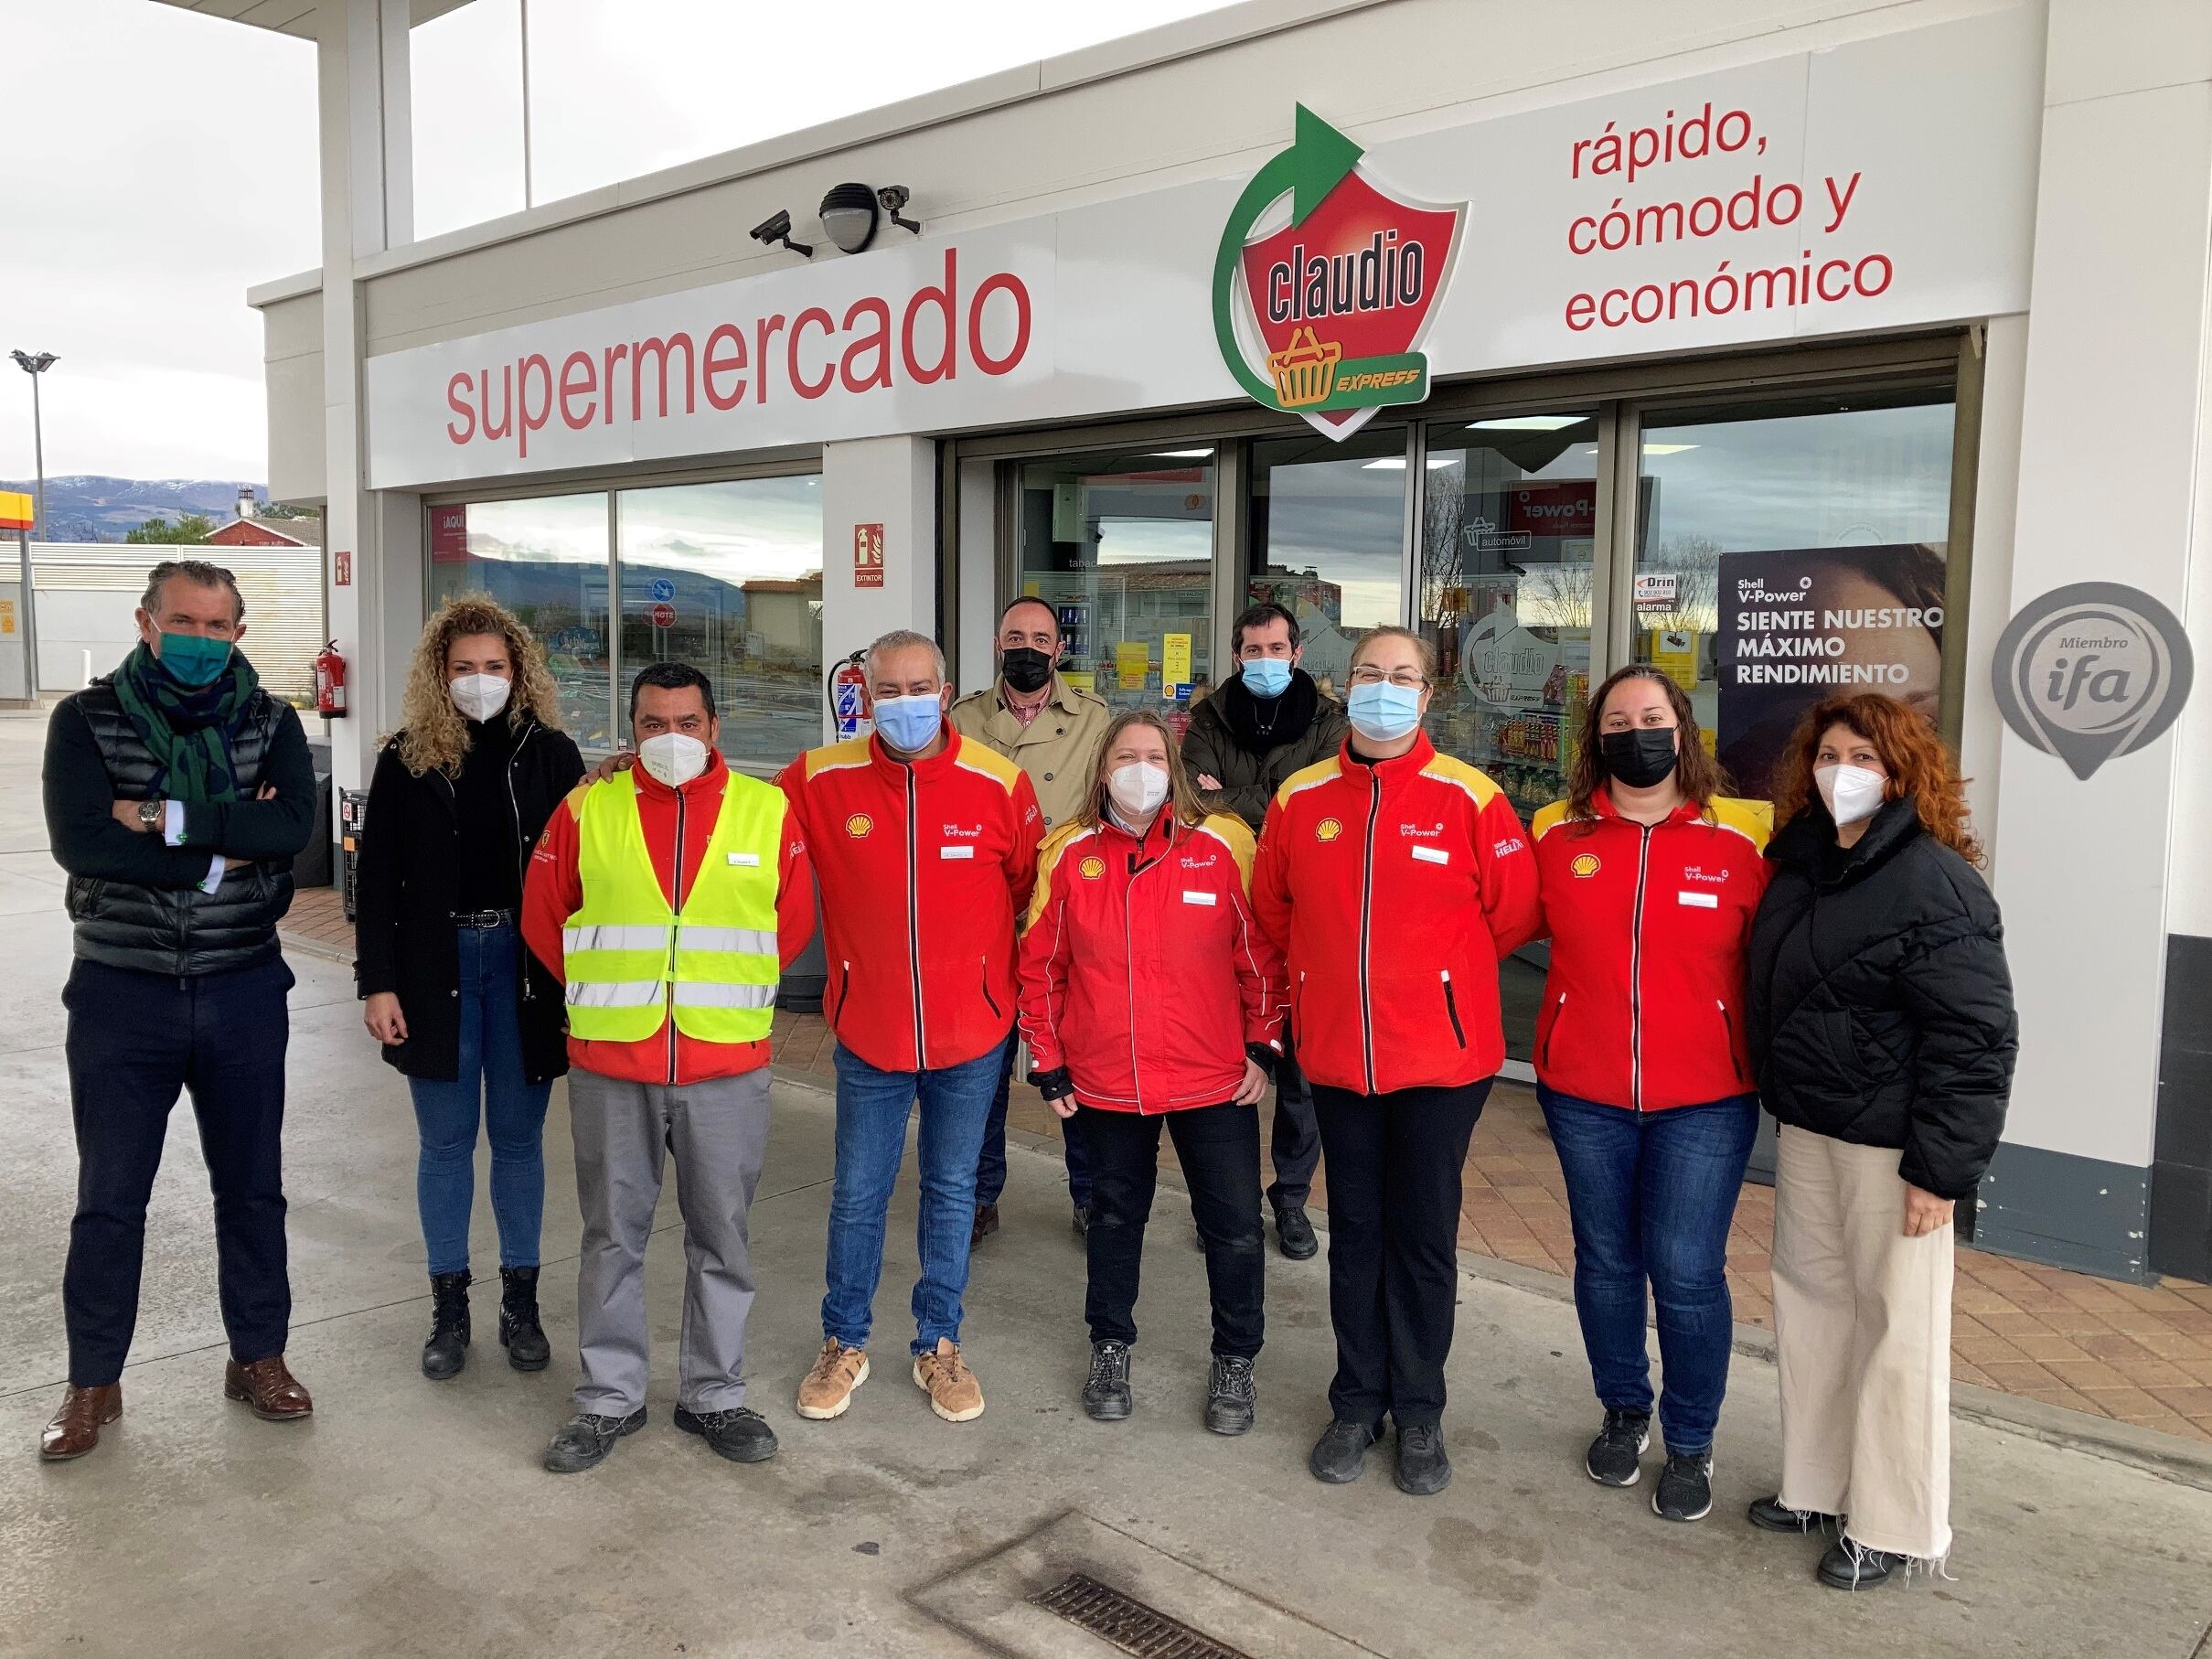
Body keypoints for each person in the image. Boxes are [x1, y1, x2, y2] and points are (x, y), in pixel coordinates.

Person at [1252, 626, 1541, 1496]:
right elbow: (1271, 914)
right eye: (1371, 672)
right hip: (1338, 1057)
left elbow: (1514, 912)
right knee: (1357, 1237)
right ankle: (1355, 1403)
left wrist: (1429, 981)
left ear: (1427, 696)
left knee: (1421, 1239)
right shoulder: (1301, 798)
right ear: (1346, 687)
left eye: (1402, 676)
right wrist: (1319, 990)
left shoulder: (1470, 796)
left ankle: (1418, 1413)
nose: (1385, 686)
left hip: (1443, 1065)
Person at [39, 560, 318, 1460]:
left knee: (252, 1188)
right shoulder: (84, 721)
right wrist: (214, 843)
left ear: (239, 633)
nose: (200, 637)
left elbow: (288, 833)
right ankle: (93, 1381)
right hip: (123, 992)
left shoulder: (273, 720)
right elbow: (80, 841)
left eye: (217, 624)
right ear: (147, 620)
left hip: (242, 986)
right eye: (183, 620)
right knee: (110, 1198)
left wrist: (153, 816)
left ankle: (259, 1355)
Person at [1744, 691, 2016, 1590]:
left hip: (1892, 1148)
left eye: (1861, 755)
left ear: (1901, 772)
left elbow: (1974, 1037)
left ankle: (1896, 1525)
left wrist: (1942, 1169)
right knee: (1812, 1307)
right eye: (1826, 754)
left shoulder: (1935, 881)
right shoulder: (1802, 862)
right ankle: (1818, 1485)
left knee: (1897, 1328)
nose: (1840, 772)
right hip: (1813, 1130)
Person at [520, 663, 814, 1473]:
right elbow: (546, 921)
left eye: (687, 723)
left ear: (714, 729)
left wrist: (713, 1001)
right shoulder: (589, 806)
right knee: (612, 1235)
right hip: (614, 1061)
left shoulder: (766, 810)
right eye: (654, 724)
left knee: (723, 1238)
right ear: (632, 731)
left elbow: (790, 925)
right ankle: (607, 1399)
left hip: (725, 1063)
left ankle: (713, 1394)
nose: (672, 739)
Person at [780, 630, 1042, 1425]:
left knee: (951, 1189)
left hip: (972, 1033)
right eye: (887, 691)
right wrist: (628, 769)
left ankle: (938, 1343)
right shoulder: (817, 781)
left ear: (945, 686)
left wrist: (1006, 999)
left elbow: (1027, 888)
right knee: (859, 1194)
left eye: (918, 686)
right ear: (862, 695)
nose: (905, 703)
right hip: (871, 1031)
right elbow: (737, 822)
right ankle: (843, 1340)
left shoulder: (998, 782)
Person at [1529, 665, 1771, 1524]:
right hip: (1583, 1092)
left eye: (1654, 716)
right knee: (1604, 1260)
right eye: (1619, 720)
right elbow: (1479, 920)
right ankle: (1623, 1409)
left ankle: (1693, 1439)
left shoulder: (1738, 846)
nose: (1638, 732)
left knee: (1686, 1271)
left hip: (1704, 1098)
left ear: (1683, 731)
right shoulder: (1556, 838)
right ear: (1596, 739)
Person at [1017, 710, 1285, 1433]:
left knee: (1232, 1228)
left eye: (1154, 757)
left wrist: (1263, 1045)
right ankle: (1109, 1346)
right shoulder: (1071, 856)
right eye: (1125, 756)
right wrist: (1048, 1060)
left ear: (1174, 770)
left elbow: (1257, 957)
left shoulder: (1216, 850)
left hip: (1212, 1079)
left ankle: (1235, 1360)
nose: (1140, 769)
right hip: (1107, 1080)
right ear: (1102, 770)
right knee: (1112, 1221)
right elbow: (1041, 968)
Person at [355, 594, 584, 1380]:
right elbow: (377, 880)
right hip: (433, 970)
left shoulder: (551, 754)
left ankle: (520, 1303)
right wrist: (377, 984)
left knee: (519, 1143)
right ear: (437, 674)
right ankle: (448, 1308)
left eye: (493, 666)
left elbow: (589, 866)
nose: (479, 680)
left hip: (524, 972)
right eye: (463, 668)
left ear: (517, 671)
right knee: (446, 1144)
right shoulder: (408, 757)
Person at [1181, 600, 1349, 1262]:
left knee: (1299, 1077)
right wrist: (1279, 796)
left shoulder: (1331, 725)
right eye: (1252, 651)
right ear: (1235, 656)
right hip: (1219, 914)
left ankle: (1290, 1199)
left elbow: (1317, 804)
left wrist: (1236, 797)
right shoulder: (1207, 719)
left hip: (1302, 915)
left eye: (1275, 649)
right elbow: (1193, 800)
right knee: (1229, 1067)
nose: (1264, 661)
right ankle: (1231, 1202)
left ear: (1297, 653)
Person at [950, 595, 1110, 1242]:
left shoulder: (1094, 720)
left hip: (1062, 913)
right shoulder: (961, 718)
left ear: (1058, 649)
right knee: (983, 1067)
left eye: (1040, 638)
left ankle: (1089, 1194)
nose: (1027, 648)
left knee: (1066, 1060)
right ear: (997, 643)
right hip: (981, 913)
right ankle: (980, 1194)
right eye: (1015, 636)